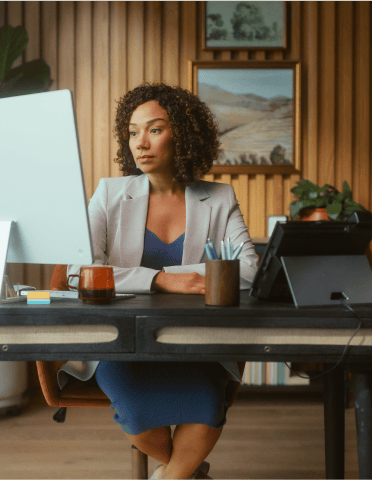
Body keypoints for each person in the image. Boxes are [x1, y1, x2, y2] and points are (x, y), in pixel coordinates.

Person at [62, 83, 259, 480]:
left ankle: (174, 474)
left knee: (207, 406)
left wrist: (153, 279)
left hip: (194, 341)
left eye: (154, 129)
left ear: (182, 136)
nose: (140, 143)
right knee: (137, 412)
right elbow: (79, 271)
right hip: (119, 343)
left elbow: (250, 269)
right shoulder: (110, 194)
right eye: (133, 132)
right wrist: (163, 281)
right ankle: (190, 472)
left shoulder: (219, 198)